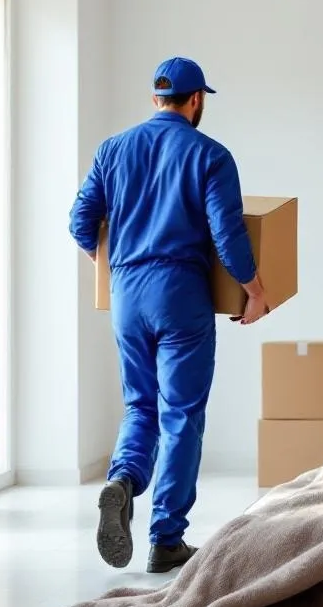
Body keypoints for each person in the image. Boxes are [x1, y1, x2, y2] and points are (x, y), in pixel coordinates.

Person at [69, 56, 269, 574]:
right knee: (180, 414)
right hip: (180, 295)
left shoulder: (112, 149)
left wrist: (109, 266)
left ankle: (123, 480)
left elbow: (80, 222)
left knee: (140, 406)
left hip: (126, 296)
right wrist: (254, 291)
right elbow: (228, 233)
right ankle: (166, 538)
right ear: (196, 100)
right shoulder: (210, 155)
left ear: (155, 98)